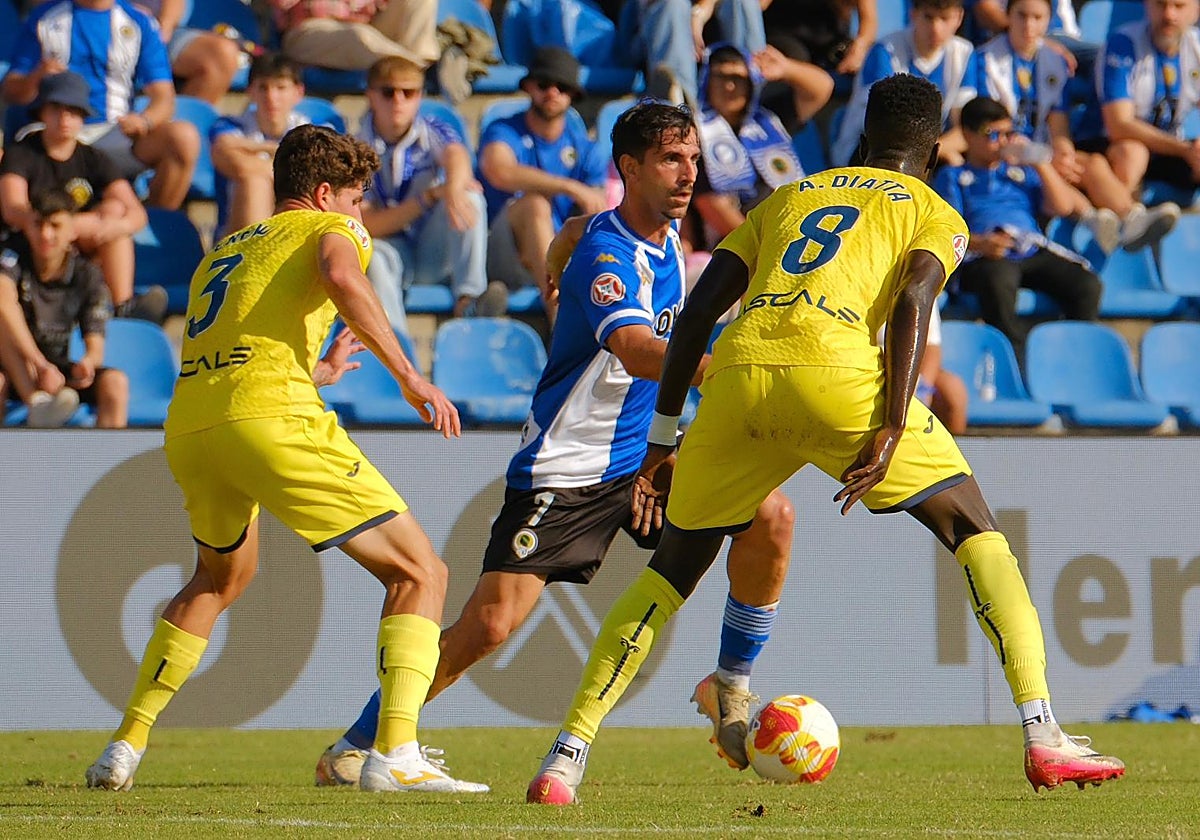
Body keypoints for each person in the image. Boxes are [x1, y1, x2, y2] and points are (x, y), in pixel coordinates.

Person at [526, 74, 1125, 805]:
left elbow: (697, 314)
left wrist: (661, 437)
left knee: (669, 575)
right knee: (976, 531)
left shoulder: (790, 195)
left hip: (741, 372)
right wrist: (894, 421)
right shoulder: (935, 209)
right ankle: (1043, 733)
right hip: (838, 374)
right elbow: (911, 299)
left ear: (862, 141)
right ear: (932, 152)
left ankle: (566, 758)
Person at [313, 101, 796, 787]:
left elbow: (572, 229)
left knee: (771, 515)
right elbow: (634, 349)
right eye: (670, 160)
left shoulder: (650, 235)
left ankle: (731, 681)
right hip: (566, 467)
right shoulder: (611, 254)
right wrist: (728, 366)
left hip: (642, 461)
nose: (689, 174)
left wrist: (554, 253)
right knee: (489, 627)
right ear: (629, 168)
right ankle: (358, 744)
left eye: (692, 159)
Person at [84, 124, 487, 795]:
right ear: (326, 193)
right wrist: (410, 376)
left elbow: (240, 345)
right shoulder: (330, 230)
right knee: (421, 571)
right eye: (356, 201)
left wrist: (318, 372)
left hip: (192, 424)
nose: (360, 217)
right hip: (269, 417)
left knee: (217, 580)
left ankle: (124, 745)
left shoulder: (225, 251)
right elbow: (340, 273)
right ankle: (396, 755)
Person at [977, 0, 1180, 251]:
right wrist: (1041, 155)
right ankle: (1104, 218)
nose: (1029, 25)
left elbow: (1058, 122)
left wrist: (1063, 150)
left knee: (1087, 162)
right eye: (1022, 16)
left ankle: (1125, 219)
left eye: (1037, 18)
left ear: (1048, 21)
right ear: (1008, 16)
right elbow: (990, 127)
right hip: (1002, 151)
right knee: (1064, 167)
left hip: (1040, 150)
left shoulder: (1053, 60)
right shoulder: (985, 60)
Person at [934, 96, 1102, 360]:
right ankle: (1016, 358)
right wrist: (981, 243)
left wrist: (1039, 163)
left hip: (1028, 249)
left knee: (1086, 284)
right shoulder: (953, 177)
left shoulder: (1021, 172)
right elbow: (949, 230)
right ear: (968, 135)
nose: (1002, 142)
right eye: (992, 134)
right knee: (998, 280)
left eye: (1008, 133)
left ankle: (1074, 356)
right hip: (986, 254)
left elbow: (1062, 206)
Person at [1, 0, 200, 211]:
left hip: (112, 133)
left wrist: (144, 120)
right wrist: (37, 75)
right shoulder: (45, 18)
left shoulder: (139, 22)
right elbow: (11, 91)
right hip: (55, 130)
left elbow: (164, 98)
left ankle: (156, 230)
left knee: (182, 138)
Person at [0, 71, 164, 323]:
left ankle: (123, 306)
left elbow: (136, 213)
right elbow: (13, 209)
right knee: (107, 213)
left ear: (83, 117)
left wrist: (111, 226)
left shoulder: (93, 159)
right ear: (42, 112)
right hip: (33, 243)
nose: (64, 119)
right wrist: (68, 225)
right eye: (56, 109)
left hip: (82, 248)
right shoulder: (21, 154)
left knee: (115, 210)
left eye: (73, 111)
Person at [356, 56, 505, 331]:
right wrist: (427, 199)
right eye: (388, 92)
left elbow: (457, 155)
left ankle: (469, 300)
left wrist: (452, 188)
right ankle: (397, 346)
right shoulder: (353, 146)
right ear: (370, 95)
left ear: (420, 96)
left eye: (408, 92)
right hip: (389, 252)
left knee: (469, 196)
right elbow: (366, 225)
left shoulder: (431, 128)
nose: (398, 101)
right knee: (372, 255)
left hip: (430, 251)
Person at [478, 46, 607, 320]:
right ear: (528, 87)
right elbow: (498, 170)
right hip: (500, 253)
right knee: (535, 205)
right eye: (544, 84)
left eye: (562, 86)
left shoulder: (586, 149)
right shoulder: (503, 129)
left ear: (572, 94)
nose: (552, 92)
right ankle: (559, 322)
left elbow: (597, 209)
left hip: (557, 257)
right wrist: (568, 186)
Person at [0, 189, 128, 428]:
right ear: (27, 226)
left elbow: (95, 334)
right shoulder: (12, 255)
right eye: (38, 224)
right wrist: (39, 364)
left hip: (56, 369)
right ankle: (35, 403)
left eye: (55, 226)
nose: (45, 234)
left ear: (72, 231)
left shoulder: (86, 274)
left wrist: (87, 364)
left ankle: (108, 462)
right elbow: (3, 300)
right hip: (15, 364)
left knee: (115, 383)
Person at [690, 43, 809, 251]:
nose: (729, 87)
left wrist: (786, 68)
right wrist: (769, 248)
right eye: (721, 77)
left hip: (786, 235)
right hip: (737, 248)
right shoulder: (694, 133)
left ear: (751, 83)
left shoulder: (769, 120)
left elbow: (822, 87)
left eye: (737, 79)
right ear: (707, 81)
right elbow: (711, 204)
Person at [833, 0, 979, 167]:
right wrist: (939, 151)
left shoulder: (964, 53)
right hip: (870, 150)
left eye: (945, 18)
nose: (936, 29)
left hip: (929, 151)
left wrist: (939, 150)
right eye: (928, 17)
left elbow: (967, 130)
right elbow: (886, 126)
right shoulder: (885, 50)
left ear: (959, 18)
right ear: (913, 14)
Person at [1085, 0, 1200, 202]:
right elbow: (1119, 125)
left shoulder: (1196, 48)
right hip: (1110, 145)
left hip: (1167, 148)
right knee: (1133, 153)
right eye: (1161, 5)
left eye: (1179, 6)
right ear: (1147, 5)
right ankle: (1128, 223)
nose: (1169, 15)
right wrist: (1184, 149)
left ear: (1196, 11)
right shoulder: (1123, 44)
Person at [210, 52, 313, 236]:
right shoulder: (230, 125)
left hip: (295, 231)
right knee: (254, 181)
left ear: (298, 92)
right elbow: (223, 148)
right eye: (263, 88)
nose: (271, 97)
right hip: (232, 237)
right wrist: (276, 151)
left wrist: (249, 149)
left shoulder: (313, 130)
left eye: (280, 88)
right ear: (250, 91)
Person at [266, 0, 440, 71]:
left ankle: (421, 63)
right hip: (306, 27)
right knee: (359, 36)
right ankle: (417, 70)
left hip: (367, 22)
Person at [135, 0, 244, 104]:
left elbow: (173, 7)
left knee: (222, 54)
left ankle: (183, 120)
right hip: (123, 28)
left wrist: (161, 33)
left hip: (156, 32)